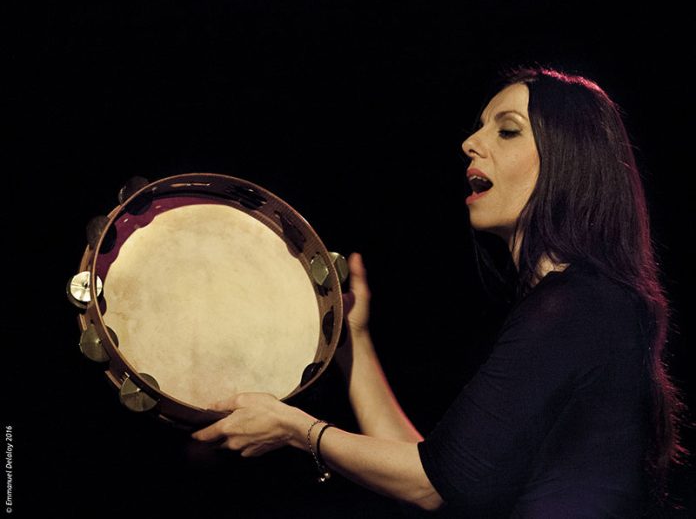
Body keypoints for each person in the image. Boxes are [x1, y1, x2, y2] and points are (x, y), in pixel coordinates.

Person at [192, 67, 686, 517]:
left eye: (507, 130)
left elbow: (430, 484)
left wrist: (296, 428)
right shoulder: (584, 303)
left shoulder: (578, 306)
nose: (471, 143)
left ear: (569, 159)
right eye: (479, 127)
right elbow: (437, 473)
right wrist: (352, 341)